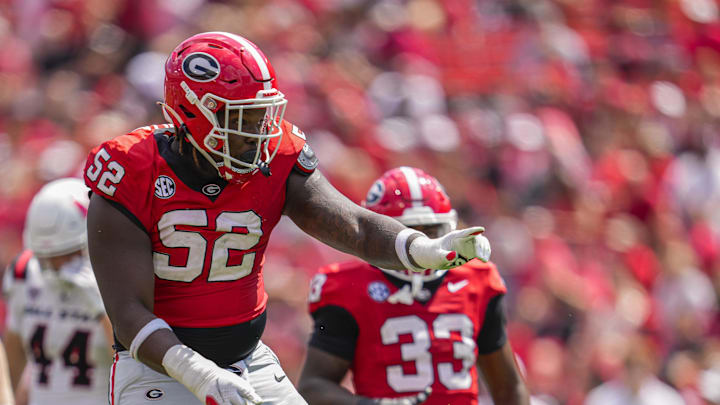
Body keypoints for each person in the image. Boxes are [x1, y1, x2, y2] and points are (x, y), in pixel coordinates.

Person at [83, 32, 492, 405]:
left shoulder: (276, 157)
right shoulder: (131, 170)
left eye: (262, 115)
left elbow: (355, 225)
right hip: (160, 369)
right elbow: (128, 313)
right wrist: (199, 374)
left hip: (248, 361)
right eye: (242, 118)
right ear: (193, 113)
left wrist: (425, 249)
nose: (259, 131)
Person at [297, 167, 530, 405]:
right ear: (378, 234)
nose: (422, 244)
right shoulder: (350, 287)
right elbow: (313, 386)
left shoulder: (476, 280)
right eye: (407, 232)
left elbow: (508, 387)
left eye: (431, 232)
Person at [2, 178, 114, 405]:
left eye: (65, 253)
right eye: (46, 257)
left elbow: (133, 361)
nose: (54, 265)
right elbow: (14, 352)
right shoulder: (24, 272)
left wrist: (102, 307)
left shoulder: (113, 276)